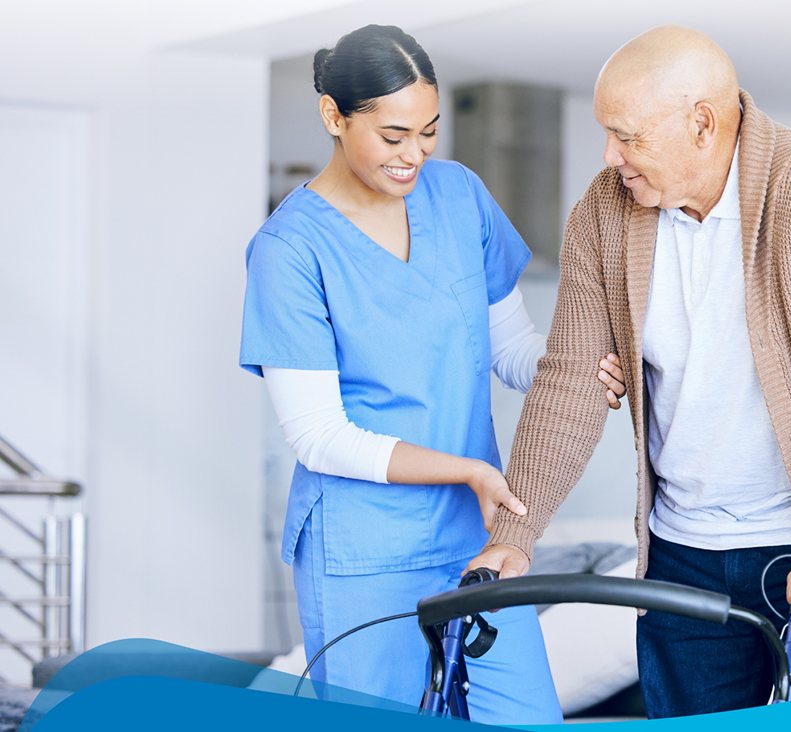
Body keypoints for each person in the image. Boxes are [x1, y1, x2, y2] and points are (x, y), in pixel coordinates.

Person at [467, 25, 791, 717]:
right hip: (684, 553)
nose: (608, 155)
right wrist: (513, 538)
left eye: (626, 135)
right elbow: (572, 380)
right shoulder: (603, 211)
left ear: (701, 123)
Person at [238, 25, 627, 724]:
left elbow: (508, 349)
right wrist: (467, 471)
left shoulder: (458, 196)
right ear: (333, 116)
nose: (413, 154)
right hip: (362, 553)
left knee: (526, 715)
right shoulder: (289, 249)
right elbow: (318, 436)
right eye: (392, 136)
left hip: (477, 540)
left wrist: (570, 372)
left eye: (428, 131)